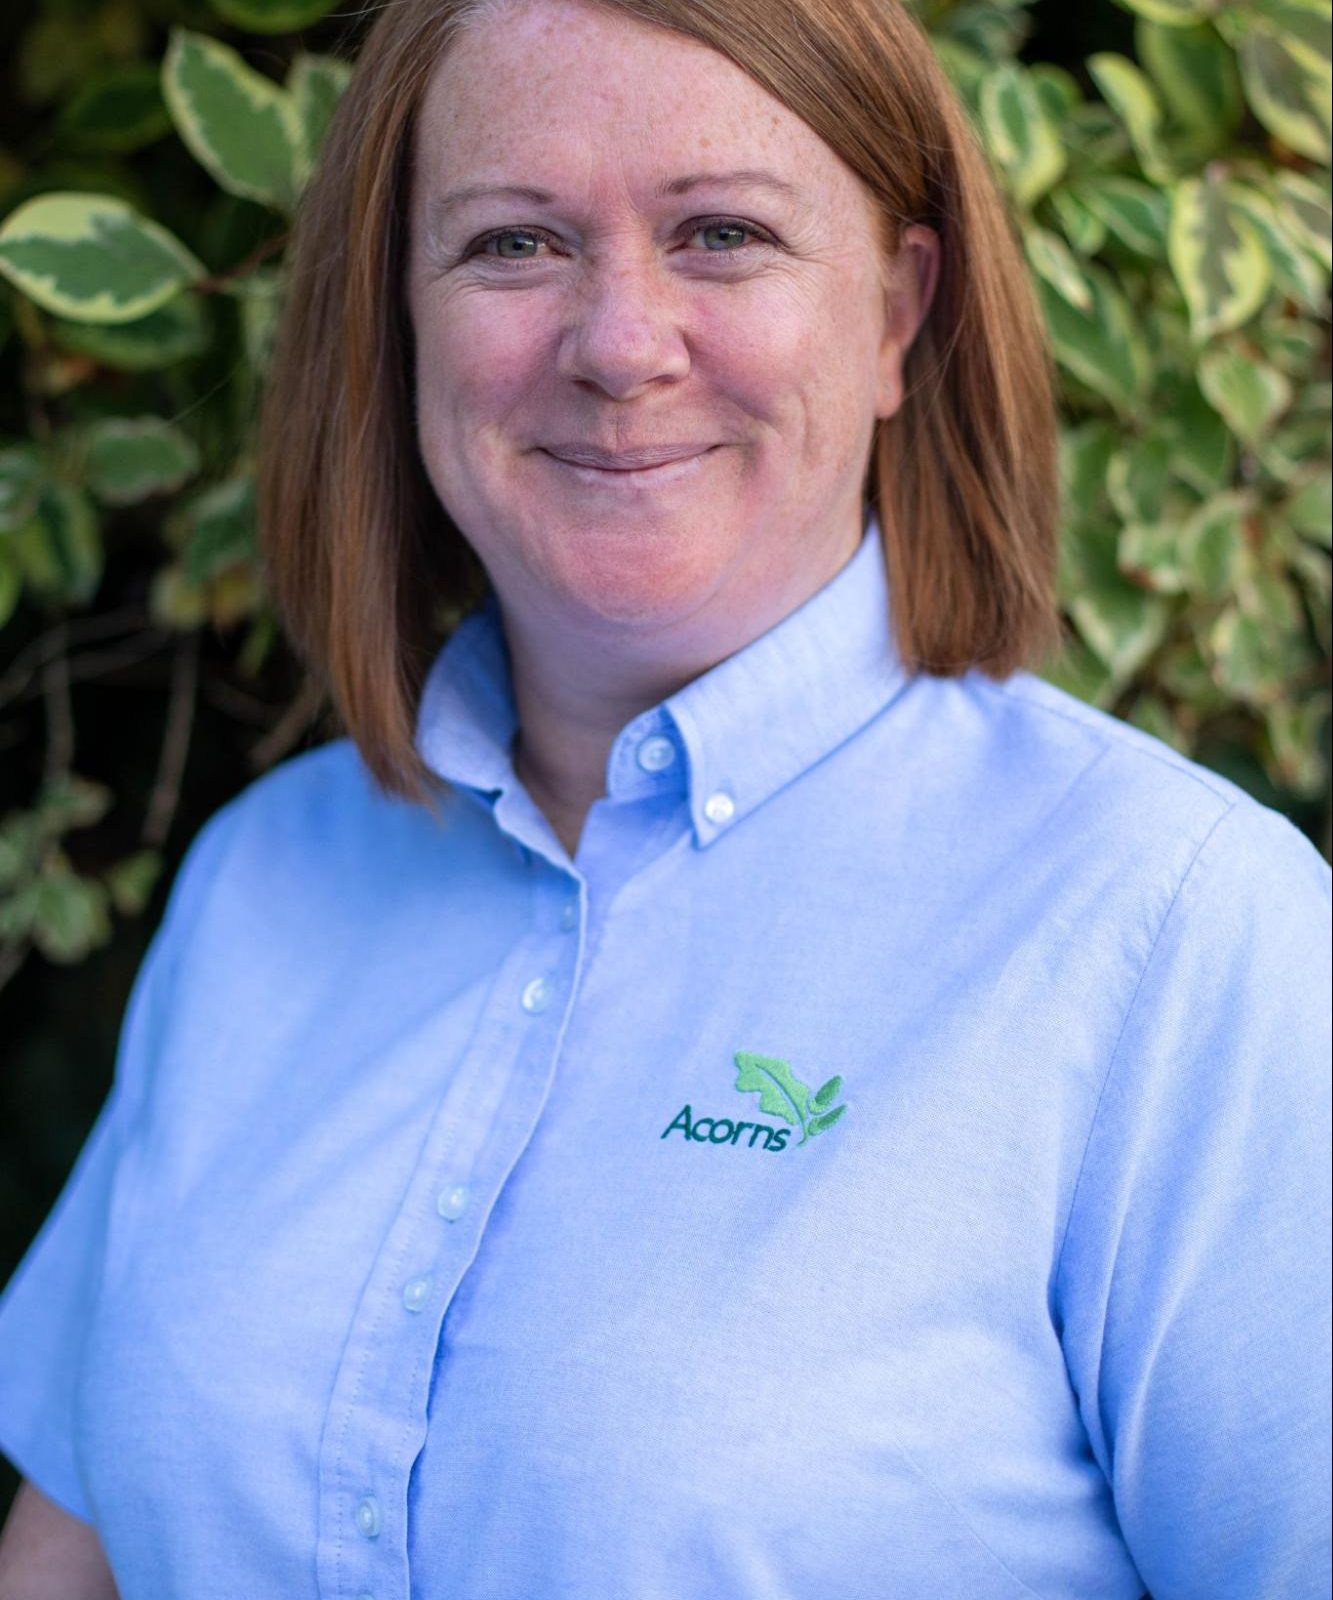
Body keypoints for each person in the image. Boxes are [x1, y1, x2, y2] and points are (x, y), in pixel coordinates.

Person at [0, 0, 1329, 1595]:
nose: (619, 342)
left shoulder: (1175, 929)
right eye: (511, 245)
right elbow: (71, 1540)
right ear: (399, 315)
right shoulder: (261, 880)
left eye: (720, 232)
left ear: (899, 316)